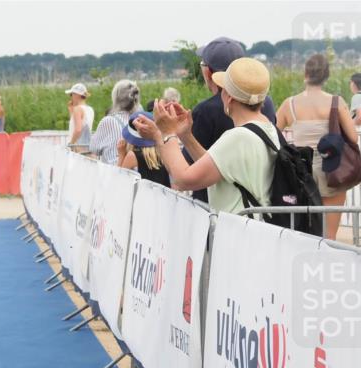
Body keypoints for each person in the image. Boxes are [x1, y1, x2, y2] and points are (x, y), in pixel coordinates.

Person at [133, 58, 278, 217]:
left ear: (228, 97)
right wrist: (185, 135)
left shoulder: (238, 138)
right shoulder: (267, 129)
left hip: (238, 235)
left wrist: (166, 133)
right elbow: (216, 166)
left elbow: (183, 180)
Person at [276, 54, 357, 239]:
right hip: (331, 172)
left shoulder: (289, 104)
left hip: (301, 172)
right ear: (326, 76)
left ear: (305, 73)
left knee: (302, 233)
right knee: (329, 236)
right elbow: (353, 137)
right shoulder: (336, 102)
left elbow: (274, 133)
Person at [189, 37, 277, 203]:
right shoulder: (264, 103)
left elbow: (188, 170)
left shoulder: (205, 111)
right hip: (260, 198)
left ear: (208, 72)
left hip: (218, 204)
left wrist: (166, 137)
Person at [90, 79, 141, 164]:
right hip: (136, 172)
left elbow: (94, 148)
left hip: (114, 172)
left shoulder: (108, 121)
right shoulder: (140, 120)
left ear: (115, 98)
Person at [116, 111, 170, 188]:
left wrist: (121, 155)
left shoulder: (132, 156)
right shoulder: (163, 152)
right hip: (162, 198)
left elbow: (118, 180)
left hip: (142, 198)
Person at [65, 83, 94, 149]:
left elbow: (78, 129)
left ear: (76, 95)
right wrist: (71, 112)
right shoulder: (90, 109)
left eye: (71, 94)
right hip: (87, 145)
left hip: (78, 147)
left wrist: (71, 144)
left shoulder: (77, 109)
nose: (71, 97)